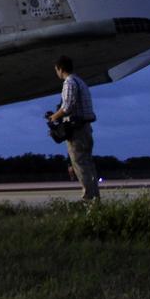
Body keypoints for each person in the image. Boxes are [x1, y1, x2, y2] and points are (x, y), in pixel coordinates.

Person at [48, 56, 99, 201]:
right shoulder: (80, 81)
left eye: (56, 70)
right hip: (86, 128)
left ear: (60, 69)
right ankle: (95, 199)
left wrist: (54, 117)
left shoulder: (69, 82)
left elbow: (67, 107)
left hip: (77, 130)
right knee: (88, 165)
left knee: (80, 165)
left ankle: (88, 199)